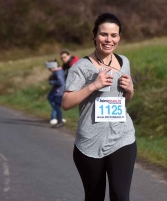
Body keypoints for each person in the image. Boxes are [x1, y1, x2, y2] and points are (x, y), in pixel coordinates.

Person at [61, 13, 136, 201]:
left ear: (119, 37)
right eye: (104, 34)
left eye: (114, 35)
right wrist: (94, 85)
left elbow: (123, 101)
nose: (109, 40)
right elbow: (66, 103)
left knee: (120, 195)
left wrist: (129, 90)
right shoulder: (81, 67)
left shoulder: (123, 62)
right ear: (95, 36)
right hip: (90, 142)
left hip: (122, 137)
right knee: (94, 196)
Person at [45, 59, 66, 128]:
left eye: (50, 69)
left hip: (58, 93)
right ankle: (59, 119)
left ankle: (60, 121)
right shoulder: (60, 71)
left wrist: (52, 82)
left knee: (57, 107)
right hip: (58, 92)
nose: (49, 70)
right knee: (56, 106)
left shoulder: (58, 73)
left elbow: (60, 82)